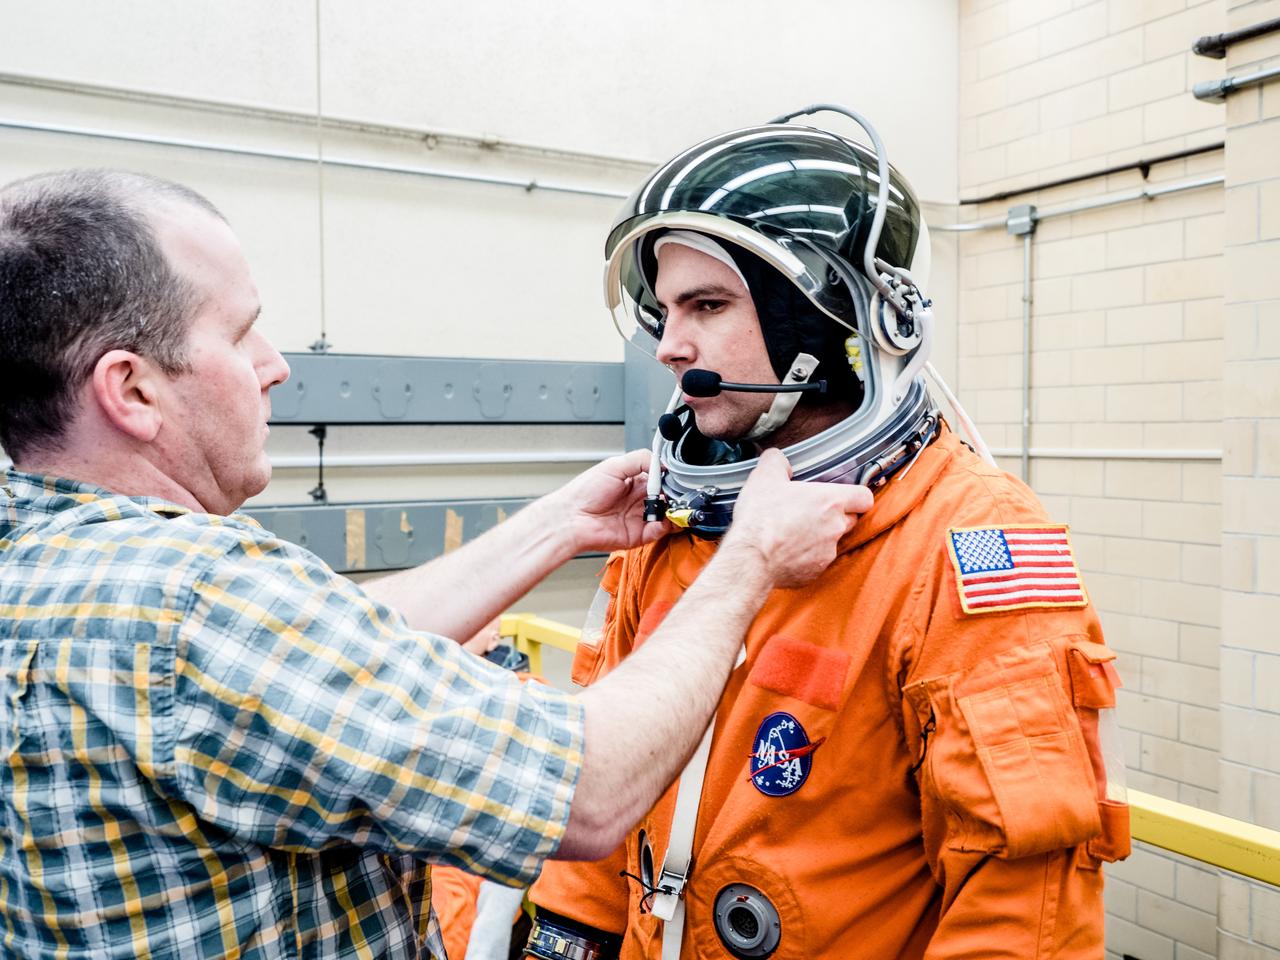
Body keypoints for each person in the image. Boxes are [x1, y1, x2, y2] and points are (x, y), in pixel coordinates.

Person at [0, 168, 875, 959]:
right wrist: (751, 558)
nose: (276, 366)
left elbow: (320, 651)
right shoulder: (199, 601)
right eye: (241, 334)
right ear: (133, 390)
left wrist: (557, 527)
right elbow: (593, 790)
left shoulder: (42, 559)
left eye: (708, 306)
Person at [526, 110, 1130, 959]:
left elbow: (1019, 895)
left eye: (707, 305)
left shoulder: (968, 537)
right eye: (664, 311)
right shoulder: (673, 525)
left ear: (822, 318)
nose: (670, 346)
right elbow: (604, 766)